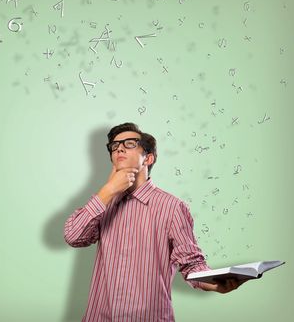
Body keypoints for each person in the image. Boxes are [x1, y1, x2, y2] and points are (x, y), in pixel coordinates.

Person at [64, 122, 243, 321]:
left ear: (148, 158)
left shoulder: (172, 207)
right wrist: (107, 191)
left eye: (130, 143)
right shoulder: (103, 202)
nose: (119, 148)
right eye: (114, 146)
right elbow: (73, 237)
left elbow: (191, 263)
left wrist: (212, 282)